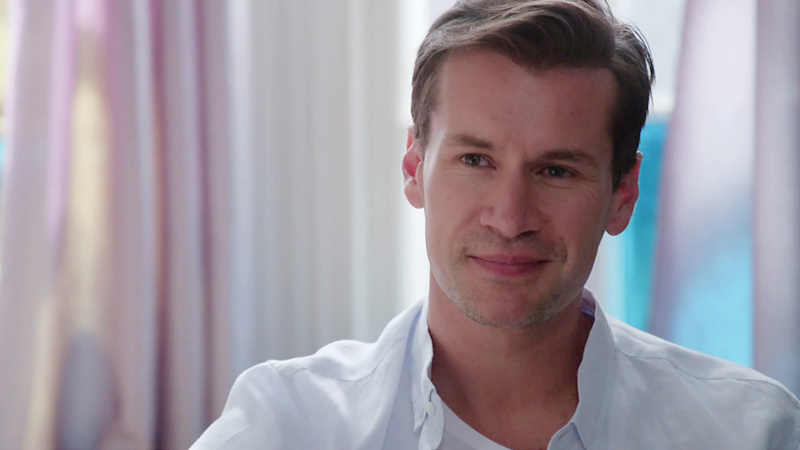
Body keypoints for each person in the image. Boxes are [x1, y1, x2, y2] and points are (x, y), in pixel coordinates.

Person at [191, 0, 800, 448]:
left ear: (623, 193)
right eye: (475, 160)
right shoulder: (287, 424)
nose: (510, 219)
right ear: (414, 169)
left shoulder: (749, 431)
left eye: (556, 171)